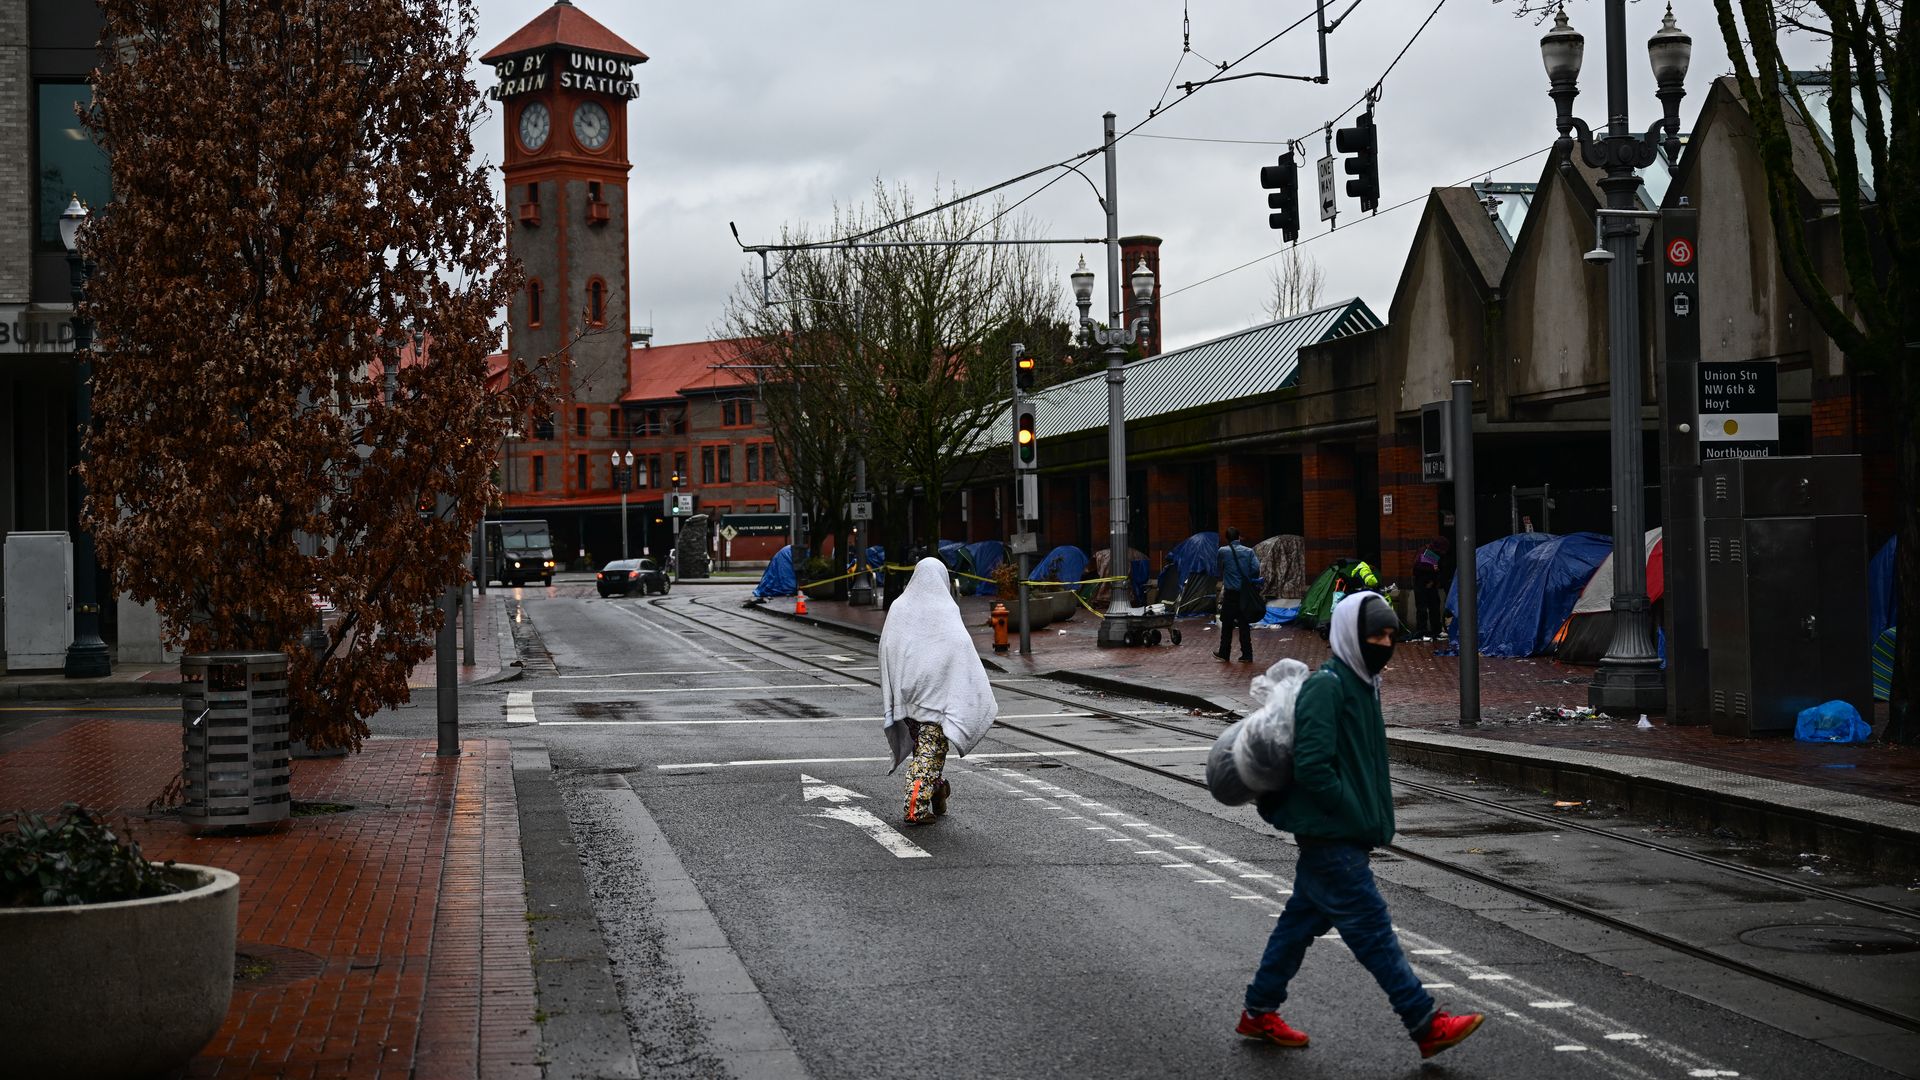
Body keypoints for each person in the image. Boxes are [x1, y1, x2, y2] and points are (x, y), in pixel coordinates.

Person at [1236, 591, 1485, 1060]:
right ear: (1351, 634)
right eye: (1376, 633)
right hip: (1333, 836)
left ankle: (1258, 1011)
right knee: (1372, 930)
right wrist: (1351, 811)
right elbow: (1313, 765)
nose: (1385, 642)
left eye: (1391, 634)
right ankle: (1424, 1022)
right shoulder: (1328, 686)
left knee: (1297, 925)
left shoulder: (1362, 681)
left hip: (1339, 833)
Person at [878, 558, 999, 824]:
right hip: (936, 695)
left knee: (925, 747)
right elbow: (959, 646)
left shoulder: (899, 607)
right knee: (932, 748)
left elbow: (888, 646)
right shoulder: (946, 609)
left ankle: (937, 789)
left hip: (906, 694)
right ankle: (916, 805)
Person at [1215, 527, 1260, 663]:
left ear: (1227, 539)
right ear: (1239, 537)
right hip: (1244, 594)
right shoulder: (1249, 552)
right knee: (1244, 624)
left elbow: (1219, 568)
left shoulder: (1222, 551)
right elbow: (1256, 568)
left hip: (1230, 594)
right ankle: (1247, 654)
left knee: (1227, 624)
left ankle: (1224, 652)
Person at [1412, 537, 1448, 640]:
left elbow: (1440, 569)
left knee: (1434, 607)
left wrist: (1434, 580)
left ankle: (1435, 630)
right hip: (1421, 583)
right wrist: (1433, 569)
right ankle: (1422, 631)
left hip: (1430, 583)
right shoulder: (1425, 551)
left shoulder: (1435, 553)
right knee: (1422, 608)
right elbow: (1417, 568)